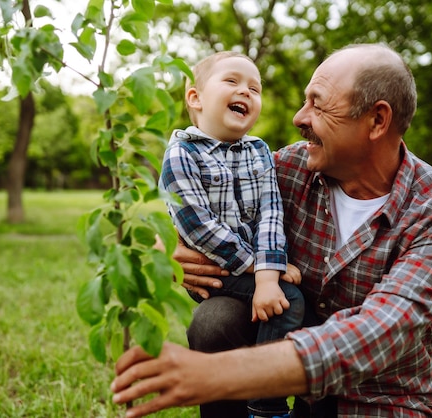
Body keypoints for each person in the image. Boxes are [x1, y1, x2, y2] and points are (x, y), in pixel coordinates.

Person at [110, 43, 432, 418]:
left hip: (375, 401)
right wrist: (171, 248)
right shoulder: (287, 167)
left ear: (377, 121)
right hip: (292, 385)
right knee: (216, 319)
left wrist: (216, 373)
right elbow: (208, 201)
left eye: (317, 104)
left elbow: (381, 330)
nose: (298, 117)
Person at [158, 51, 305, 418]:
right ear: (195, 98)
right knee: (291, 300)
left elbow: (272, 213)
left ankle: (258, 396)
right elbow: (197, 225)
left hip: (258, 267)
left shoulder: (259, 152)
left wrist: (268, 272)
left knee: (281, 299)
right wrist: (260, 270)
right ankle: (267, 402)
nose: (246, 91)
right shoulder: (181, 154)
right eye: (232, 82)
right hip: (215, 269)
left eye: (255, 88)